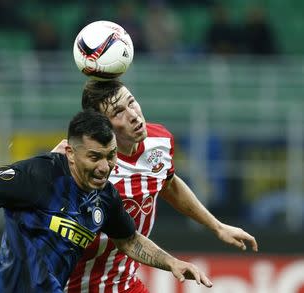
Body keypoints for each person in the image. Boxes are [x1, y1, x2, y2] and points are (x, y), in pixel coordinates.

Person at [0, 110, 213, 292]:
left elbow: (129, 240)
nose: (105, 166)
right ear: (70, 151)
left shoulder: (105, 198)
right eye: (95, 156)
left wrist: (172, 264)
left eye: (110, 156)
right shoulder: (39, 177)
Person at [52, 80, 258, 293]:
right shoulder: (87, 165)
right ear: (102, 127)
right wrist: (49, 165)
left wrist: (217, 226)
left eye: (131, 102)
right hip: (68, 285)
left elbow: (169, 184)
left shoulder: (159, 142)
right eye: (118, 112)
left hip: (122, 283)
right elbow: (127, 240)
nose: (133, 115)